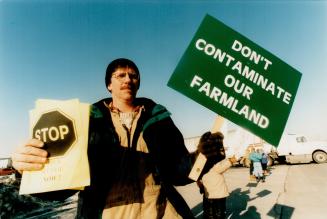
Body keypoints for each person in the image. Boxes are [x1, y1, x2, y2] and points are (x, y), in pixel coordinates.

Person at [11, 58, 222, 219]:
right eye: (120, 75)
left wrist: (201, 155)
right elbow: (60, 187)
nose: (128, 79)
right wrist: (28, 170)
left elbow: (178, 172)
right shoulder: (84, 122)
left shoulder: (159, 119)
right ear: (108, 85)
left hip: (161, 213)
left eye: (133, 75)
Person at [196, 131, 237, 219]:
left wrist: (200, 186)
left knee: (208, 213)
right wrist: (230, 161)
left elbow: (196, 177)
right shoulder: (213, 157)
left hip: (207, 192)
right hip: (218, 193)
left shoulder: (201, 158)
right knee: (219, 213)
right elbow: (218, 168)